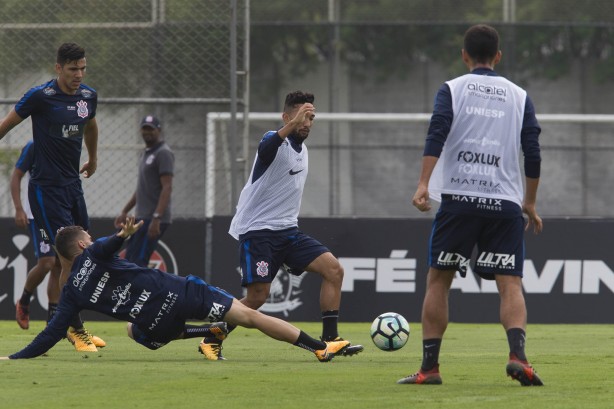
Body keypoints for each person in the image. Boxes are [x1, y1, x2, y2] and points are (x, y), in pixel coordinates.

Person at [398, 24, 543, 386]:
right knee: (510, 284)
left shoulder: (452, 89)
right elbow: (533, 152)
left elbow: (437, 132)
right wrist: (530, 202)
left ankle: (430, 369)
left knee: (438, 281)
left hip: (459, 201)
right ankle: (519, 358)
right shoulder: (519, 95)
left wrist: (423, 184)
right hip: (505, 204)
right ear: (498, 56)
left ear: (464, 55)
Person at [0, 217, 352, 362]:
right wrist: (122, 235)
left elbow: (51, 333)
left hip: (156, 322)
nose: (91, 241)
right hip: (179, 292)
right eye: (87, 238)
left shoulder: (72, 293)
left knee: (135, 332)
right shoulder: (95, 252)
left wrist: (16, 357)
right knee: (248, 316)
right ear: (80, 247)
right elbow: (106, 246)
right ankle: (319, 348)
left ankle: (205, 332)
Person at [202, 90, 363, 361]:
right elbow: (266, 148)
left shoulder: (304, 150)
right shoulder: (273, 141)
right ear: (286, 117)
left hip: (288, 232)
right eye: (301, 117)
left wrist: (299, 120)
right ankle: (211, 339)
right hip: (258, 232)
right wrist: (290, 125)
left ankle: (330, 339)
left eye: (311, 118)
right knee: (256, 298)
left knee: (333, 270)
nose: (307, 123)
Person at [0, 42, 104, 352]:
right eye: (73, 69)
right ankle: (75, 329)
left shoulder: (87, 96)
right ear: (58, 68)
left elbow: (92, 125)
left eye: (82, 68)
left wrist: (94, 158)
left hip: (73, 186)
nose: (79, 75)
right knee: (68, 256)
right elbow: (6, 125)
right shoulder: (40, 97)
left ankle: (66, 324)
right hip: (46, 190)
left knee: (82, 254)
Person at [10, 141, 61, 330]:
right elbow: (16, 175)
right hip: (37, 214)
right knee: (47, 262)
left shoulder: (64, 143)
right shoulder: (34, 145)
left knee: (58, 265)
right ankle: (23, 301)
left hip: (59, 213)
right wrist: (18, 209)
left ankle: (53, 320)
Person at [114, 115, 174, 267]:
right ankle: (134, 290)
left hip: (153, 217)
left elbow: (167, 186)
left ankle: (138, 291)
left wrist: (156, 218)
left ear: (158, 130)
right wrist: (124, 211)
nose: (147, 132)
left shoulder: (163, 153)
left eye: (151, 129)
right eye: (144, 129)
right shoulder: (146, 153)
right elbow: (141, 188)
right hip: (142, 217)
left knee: (138, 262)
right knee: (130, 259)